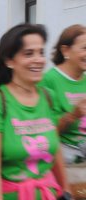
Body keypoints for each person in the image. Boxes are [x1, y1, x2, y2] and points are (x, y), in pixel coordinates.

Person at [0, 23, 71, 200]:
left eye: (41, 52)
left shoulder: (48, 97)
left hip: (47, 193)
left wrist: (66, 190)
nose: (38, 60)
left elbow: (55, 151)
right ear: (9, 60)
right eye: (28, 53)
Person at [40, 24, 86, 164]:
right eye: (84, 48)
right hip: (65, 153)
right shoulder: (49, 80)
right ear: (65, 50)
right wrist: (73, 115)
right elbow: (44, 131)